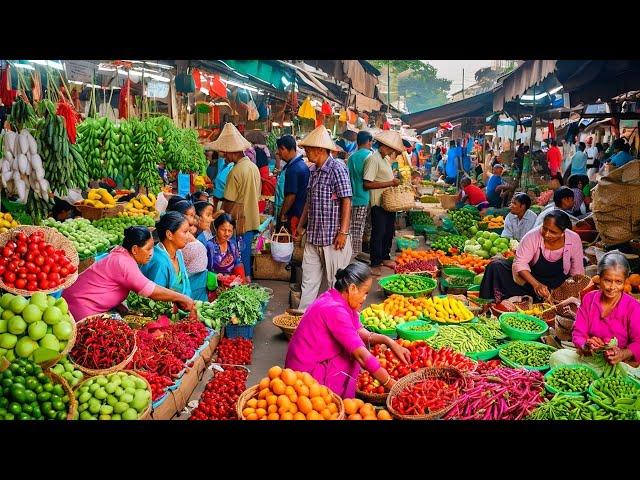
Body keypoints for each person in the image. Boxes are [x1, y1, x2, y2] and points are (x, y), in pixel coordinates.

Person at [285, 263, 411, 398]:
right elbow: (361, 356)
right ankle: (337, 400)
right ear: (352, 288)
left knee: (353, 354)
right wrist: (390, 383)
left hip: (304, 363)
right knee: (351, 359)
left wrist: (390, 342)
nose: (365, 298)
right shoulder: (335, 309)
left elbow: (360, 331)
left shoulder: (335, 297)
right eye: (365, 293)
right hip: (302, 374)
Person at [62, 226, 194, 320]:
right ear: (135, 249)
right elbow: (150, 290)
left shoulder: (121, 254)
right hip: (80, 308)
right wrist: (181, 297)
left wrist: (117, 305)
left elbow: (106, 284)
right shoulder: (123, 262)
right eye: (148, 249)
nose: (151, 254)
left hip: (80, 303)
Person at [549, 252, 640, 377]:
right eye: (607, 280)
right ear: (599, 278)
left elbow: (638, 343)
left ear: (625, 282)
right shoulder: (589, 299)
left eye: (618, 282)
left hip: (618, 365)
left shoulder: (633, 306)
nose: (612, 287)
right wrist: (586, 345)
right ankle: (593, 378)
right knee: (557, 357)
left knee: (629, 377)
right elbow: (578, 333)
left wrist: (622, 353)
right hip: (591, 359)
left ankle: (592, 379)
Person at [295, 125, 353, 311]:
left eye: (308, 149)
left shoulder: (337, 168)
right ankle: (304, 323)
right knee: (308, 283)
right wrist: (301, 225)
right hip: (314, 236)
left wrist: (343, 232)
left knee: (335, 286)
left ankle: (335, 324)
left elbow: (346, 200)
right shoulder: (312, 170)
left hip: (333, 239)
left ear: (320, 149)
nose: (306, 152)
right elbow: (309, 202)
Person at [480, 210, 584, 302]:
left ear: (563, 233)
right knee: (496, 266)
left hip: (557, 284)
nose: (547, 234)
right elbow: (520, 264)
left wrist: (570, 291)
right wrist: (536, 285)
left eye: (553, 232)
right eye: (545, 228)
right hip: (530, 281)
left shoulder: (574, 239)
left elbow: (577, 272)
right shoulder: (532, 236)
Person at [213, 123, 261, 282]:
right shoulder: (254, 167)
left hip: (240, 222)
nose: (225, 156)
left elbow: (228, 201)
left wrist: (218, 217)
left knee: (239, 257)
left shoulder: (235, 171)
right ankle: (247, 280)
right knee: (245, 253)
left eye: (226, 153)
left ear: (232, 152)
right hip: (253, 218)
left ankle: (245, 283)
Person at [364, 130, 403, 277]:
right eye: (390, 148)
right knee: (378, 233)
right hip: (378, 203)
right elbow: (367, 184)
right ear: (383, 146)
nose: (391, 151)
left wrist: (393, 183)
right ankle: (375, 262)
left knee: (388, 232)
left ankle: (385, 257)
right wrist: (390, 183)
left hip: (388, 202)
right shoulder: (373, 159)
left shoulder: (385, 159)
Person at [140, 211, 192, 297]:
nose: (189, 236)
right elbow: (157, 297)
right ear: (169, 235)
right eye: (185, 232)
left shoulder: (178, 253)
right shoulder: (159, 262)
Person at [167, 200, 208, 301]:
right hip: (185, 294)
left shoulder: (180, 250)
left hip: (193, 291)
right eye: (191, 215)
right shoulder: (179, 245)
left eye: (194, 216)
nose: (194, 220)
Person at [275, 134, 310, 236]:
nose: (278, 153)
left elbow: (291, 196)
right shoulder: (300, 165)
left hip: (295, 214)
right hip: (301, 213)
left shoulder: (293, 169)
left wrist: (282, 214)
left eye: (281, 149)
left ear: (289, 149)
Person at [348, 130, 373, 257]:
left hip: (353, 197)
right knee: (362, 228)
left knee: (355, 228)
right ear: (368, 141)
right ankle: (355, 255)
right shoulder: (370, 155)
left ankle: (355, 254)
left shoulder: (351, 157)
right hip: (366, 197)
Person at [205, 213, 245, 278]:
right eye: (223, 230)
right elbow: (207, 269)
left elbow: (237, 263)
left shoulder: (232, 245)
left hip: (231, 283)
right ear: (216, 228)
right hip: (214, 284)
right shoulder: (210, 246)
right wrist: (216, 276)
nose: (227, 234)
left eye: (230, 231)